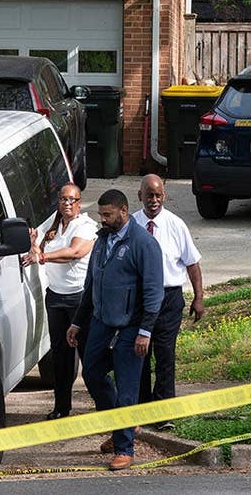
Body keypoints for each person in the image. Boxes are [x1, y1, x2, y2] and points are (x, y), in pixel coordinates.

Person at [66, 189, 163, 471]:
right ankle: (119, 424)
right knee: (92, 372)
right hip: (101, 320)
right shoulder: (102, 240)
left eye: (108, 215)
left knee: (127, 387)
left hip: (132, 326)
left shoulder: (143, 244)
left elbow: (154, 291)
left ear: (124, 211)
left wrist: (145, 331)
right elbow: (91, 285)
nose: (103, 220)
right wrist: (77, 322)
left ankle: (124, 447)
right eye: (100, 215)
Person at [132, 174, 204, 430]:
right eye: (149, 195)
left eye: (158, 195)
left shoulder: (176, 225)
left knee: (165, 354)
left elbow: (192, 263)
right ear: (140, 196)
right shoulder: (131, 225)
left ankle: (164, 413)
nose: (154, 200)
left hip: (168, 299)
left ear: (164, 196)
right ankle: (141, 410)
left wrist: (198, 298)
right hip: (140, 299)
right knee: (139, 354)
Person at [24, 183, 98, 420]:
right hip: (55, 296)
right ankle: (61, 407)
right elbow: (36, 244)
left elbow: (74, 252)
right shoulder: (53, 224)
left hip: (79, 297)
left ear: (80, 203)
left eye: (72, 200)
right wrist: (34, 244)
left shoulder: (85, 225)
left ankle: (103, 404)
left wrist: (42, 256)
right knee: (60, 356)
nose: (67, 204)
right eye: (63, 199)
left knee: (88, 355)